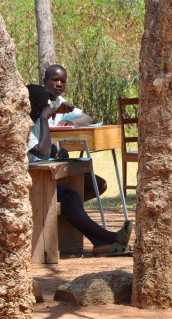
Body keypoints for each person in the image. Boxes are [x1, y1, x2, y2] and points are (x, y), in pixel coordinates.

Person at [26, 85, 132, 256]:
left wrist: (60, 152)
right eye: (41, 105)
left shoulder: (37, 120)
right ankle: (109, 238)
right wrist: (45, 118)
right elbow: (42, 151)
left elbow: (49, 150)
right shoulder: (23, 123)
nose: (45, 108)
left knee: (73, 195)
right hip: (25, 187)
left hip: (39, 180)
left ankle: (100, 241)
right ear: (30, 104)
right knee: (68, 200)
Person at [43, 64, 106, 201]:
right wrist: (57, 109)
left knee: (100, 185)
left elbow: (88, 117)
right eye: (55, 80)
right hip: (42, 161)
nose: (59, 84)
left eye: (63, 81)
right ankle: (64, 207)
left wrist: (73, 123)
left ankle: (64, 212)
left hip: (59, 157)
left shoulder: (61, 101)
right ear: (45, 81)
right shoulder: (38, 99)